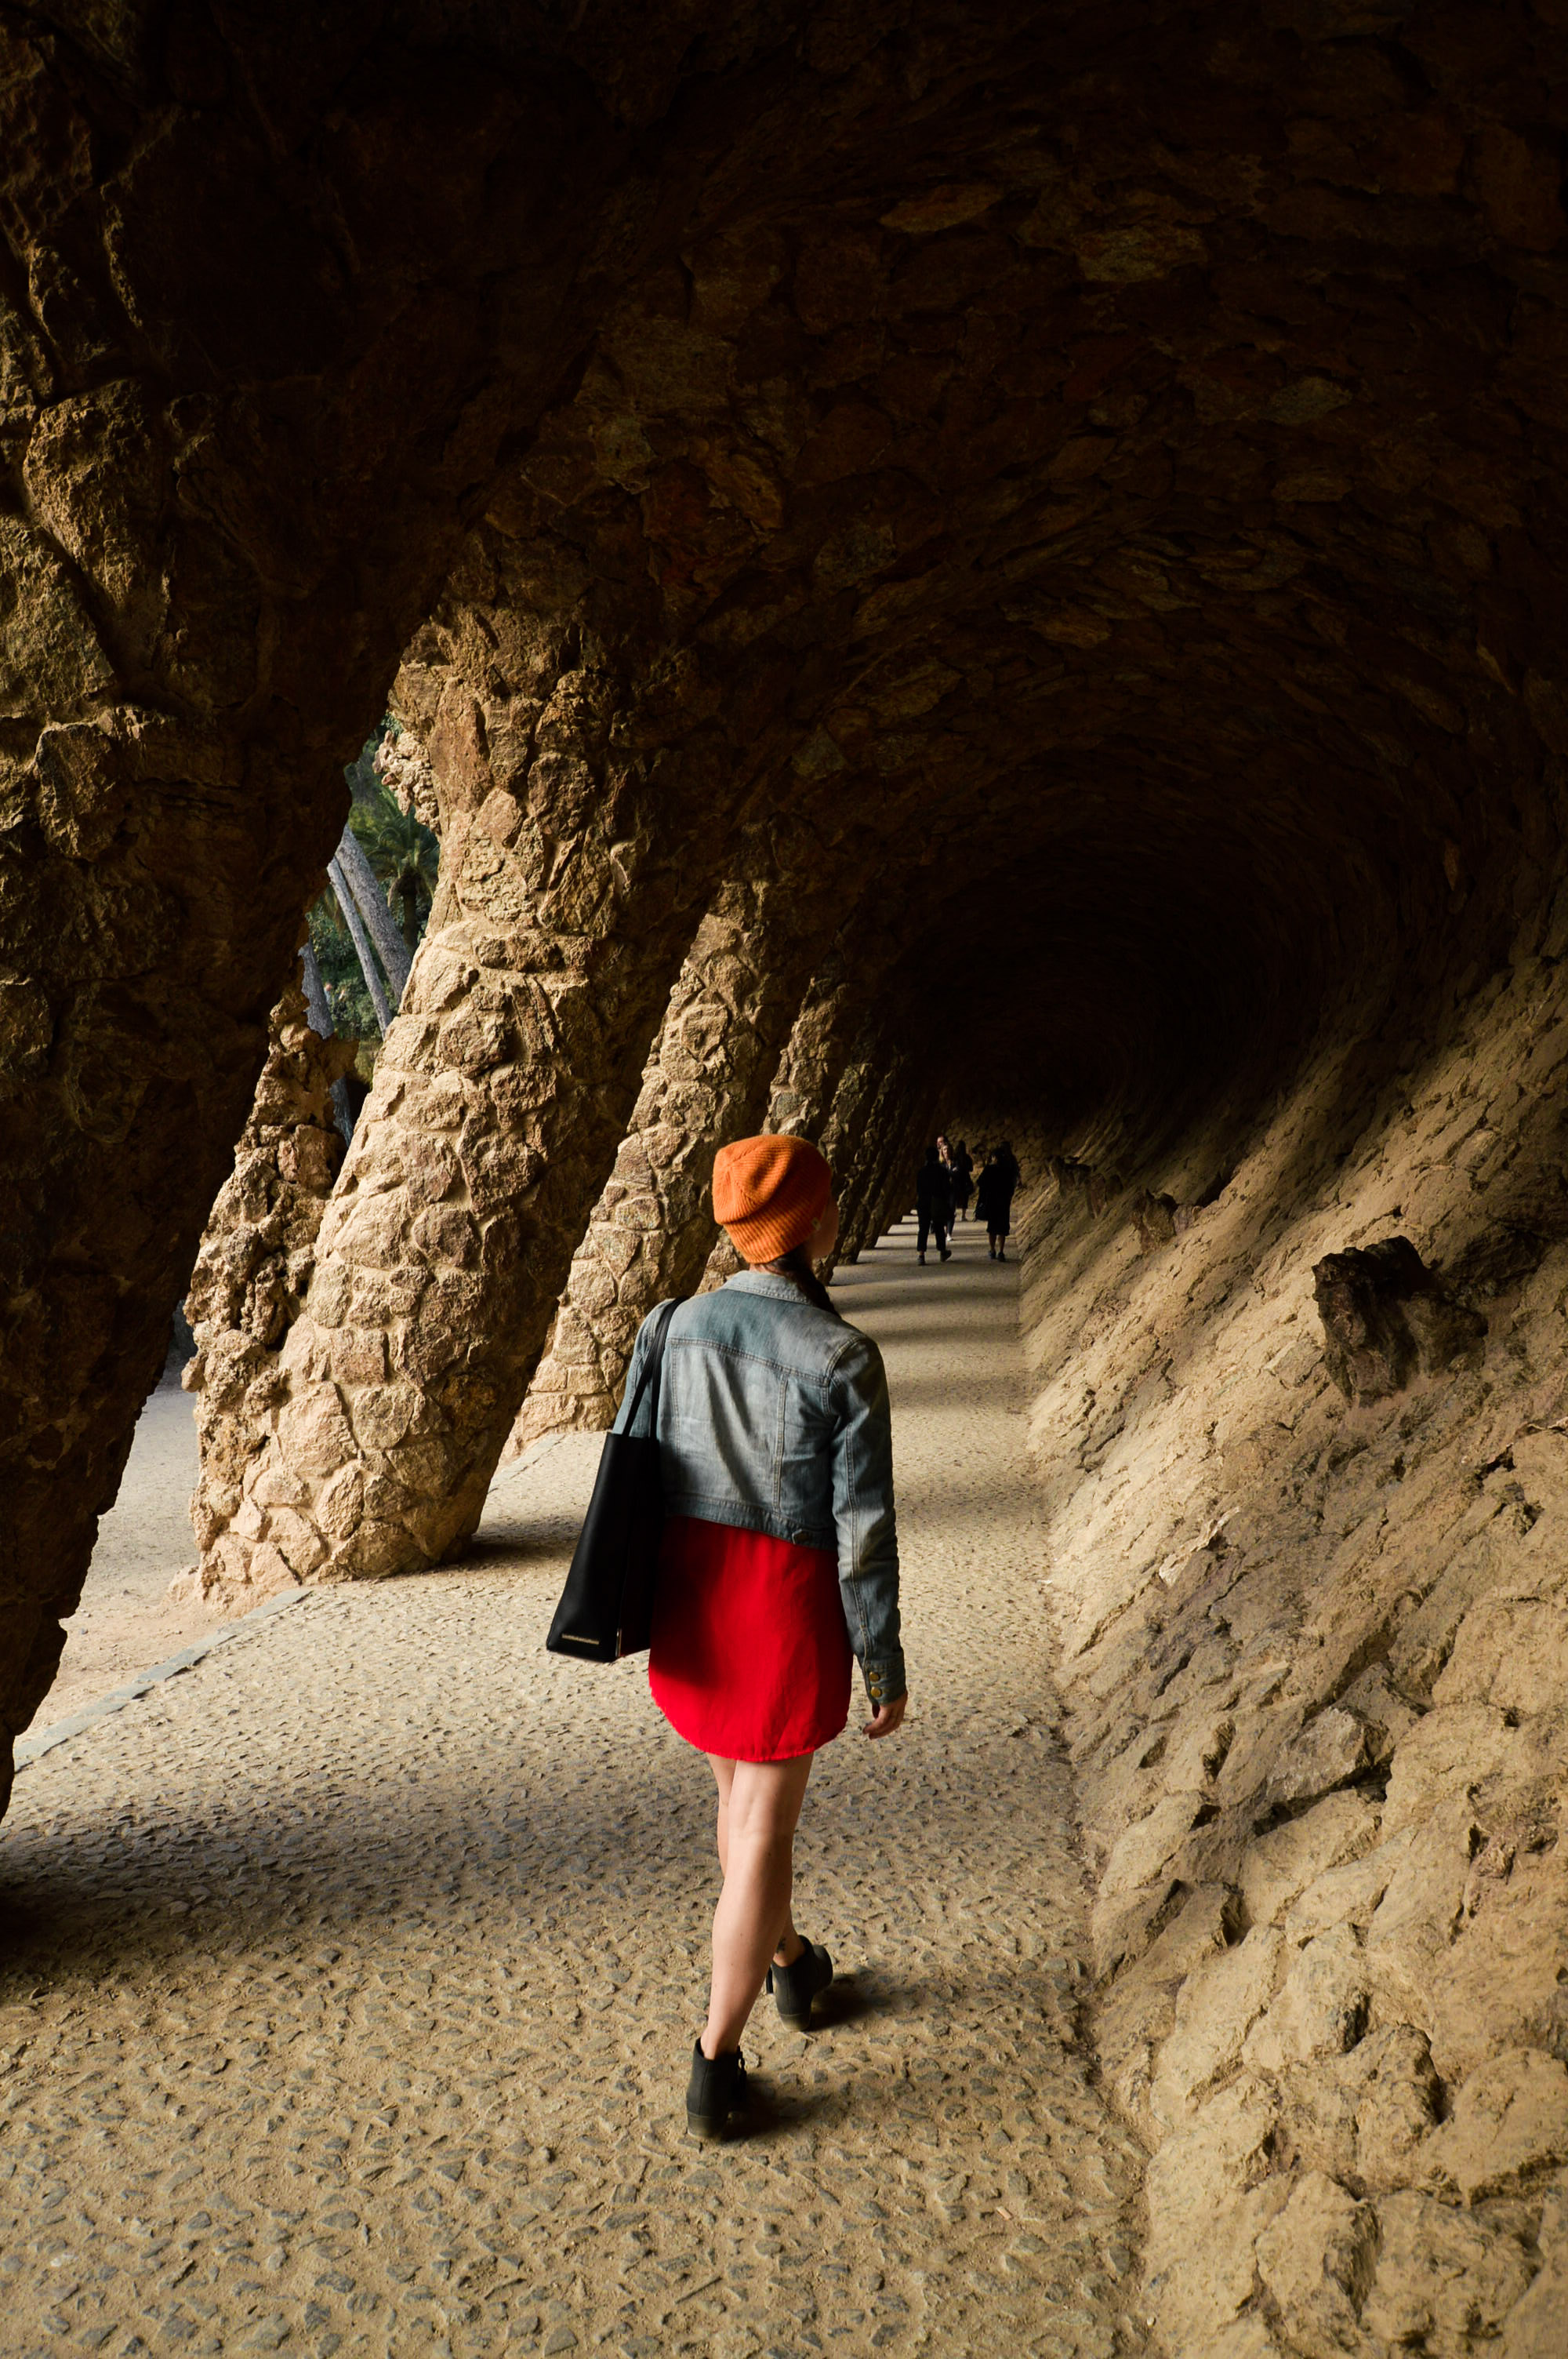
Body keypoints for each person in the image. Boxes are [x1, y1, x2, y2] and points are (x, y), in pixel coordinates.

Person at [613, 1134, 908, 2141]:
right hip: (782, 1604)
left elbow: (635, 1464)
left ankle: (789, 1962)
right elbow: (861, 1529)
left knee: (739, 1807)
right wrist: (883, 1661)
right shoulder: (841, 1355)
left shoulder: (673, 1324)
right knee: (760, 1835)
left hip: (695, 1597)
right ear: (817, 1224)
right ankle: (715, 2061)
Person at [975, 1142, 1020, 1260]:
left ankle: (992, 1250)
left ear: (994, 1157)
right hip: (1004, 1202)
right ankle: (1001, 1251)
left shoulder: (990, 1169)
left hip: (992, 1202)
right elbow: (1011, 1185)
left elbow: (980, 1182)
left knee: (992, 1228)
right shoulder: (1008, 1171)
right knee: (1002, 1228)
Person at [915, 1143, 953, 1264]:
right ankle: (942, 1251)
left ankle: (921, 1255)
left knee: (923, 1228)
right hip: (938, 1202)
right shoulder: (942, 1172)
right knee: (939, 1227)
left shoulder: (921, 1172)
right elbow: (947, 1188)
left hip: (924, 1203)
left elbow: (918, 1189)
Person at [950, 1138, 974, 1222]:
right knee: (965, 1198)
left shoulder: (954, 1158)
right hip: (965, 1180)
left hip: (956, 1179)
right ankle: (963, 1216)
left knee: (954, 1197)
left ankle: (953, 1213)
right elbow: (971, 1169)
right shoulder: (967, 1158)